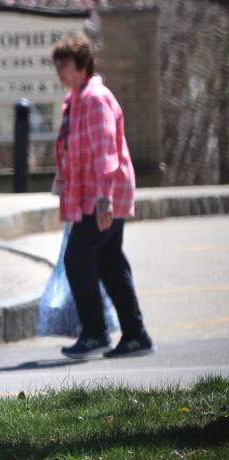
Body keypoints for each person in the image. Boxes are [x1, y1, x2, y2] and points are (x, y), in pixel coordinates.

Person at [51, 33, 154, 358]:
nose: (59, 72)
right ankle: (136, 336)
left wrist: (104, 200)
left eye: (64, 65)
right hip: (95, 196)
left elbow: (105, 152)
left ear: (82, 65)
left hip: (104, 196)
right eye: (57, 66)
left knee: (77, 258)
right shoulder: (77, 100)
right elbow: (75, 152)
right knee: (109, 263)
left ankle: (95, 333)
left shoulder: (95, 99)